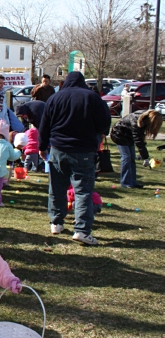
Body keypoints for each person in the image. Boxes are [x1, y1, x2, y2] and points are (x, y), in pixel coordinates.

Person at [39, 72, 111, 246]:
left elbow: (45, 124)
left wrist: (42, 146)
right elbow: (104, 123)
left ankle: (56, 222)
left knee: (56, 188)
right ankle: (82, 230)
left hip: (58, 148)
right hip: (83, 150)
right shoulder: (92, 98)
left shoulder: (55, 98)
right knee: (83, 191)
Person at [110, 109, 162, 189]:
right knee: (126, 157)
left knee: (132, 158)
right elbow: (138, 140)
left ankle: (133, 181)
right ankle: (125, 182)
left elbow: (140, 139)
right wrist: (145, 158)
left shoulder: (145, 120)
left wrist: (144, 156)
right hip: (118, 135)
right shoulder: (136, 120)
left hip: (128, 137)